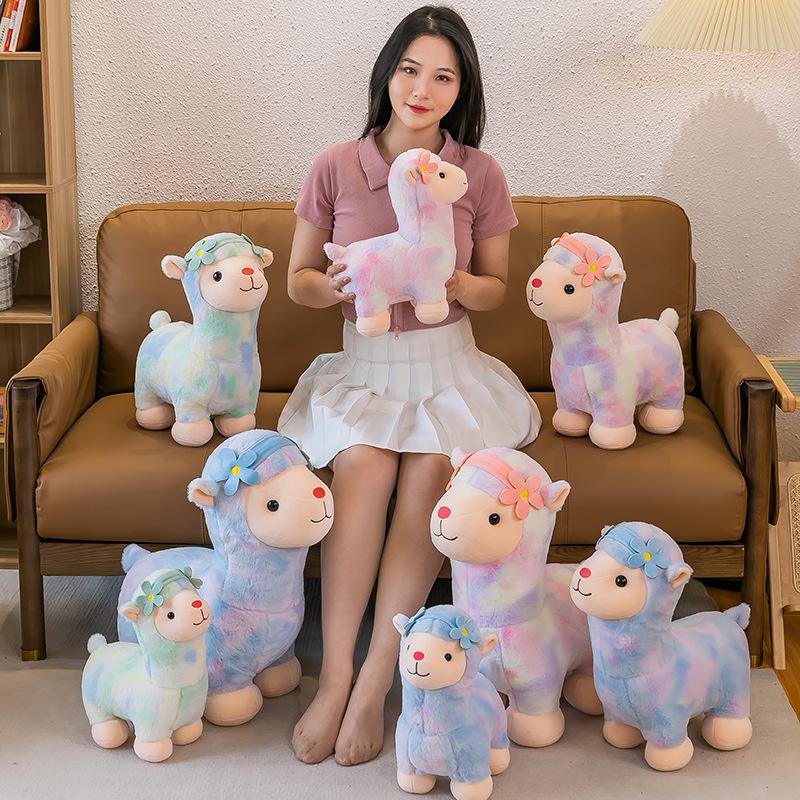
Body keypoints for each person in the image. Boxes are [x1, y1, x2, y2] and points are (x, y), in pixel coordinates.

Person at [279, 4, 541, 767]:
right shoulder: (337, 164)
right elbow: (297, 279)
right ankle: (334, 675)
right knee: (363, 465)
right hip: (363, 370)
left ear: (463, 90)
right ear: (387, 75)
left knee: (431, 470)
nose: (422, 90)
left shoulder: (477, 173)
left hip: (447, 369)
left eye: (443, 77)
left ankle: (376, 677)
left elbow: (497, 287)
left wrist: (451, 281)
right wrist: (339, 286)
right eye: (409, 70)